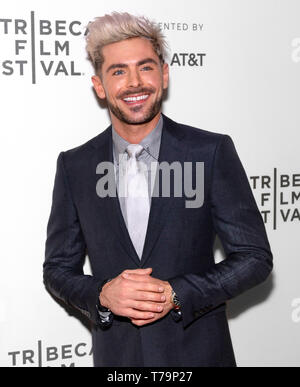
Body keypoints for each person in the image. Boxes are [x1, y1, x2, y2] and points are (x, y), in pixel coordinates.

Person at [44, 12, 273, 367]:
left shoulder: (209, 152)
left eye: (146, 67)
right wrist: (102, 295)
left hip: (199, 356)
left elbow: (255, 257)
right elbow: (58, 268)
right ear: (100, 86)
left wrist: (177, 294)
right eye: (118, 71)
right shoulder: (75, 166)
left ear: (164, 75)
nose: (135, 83)